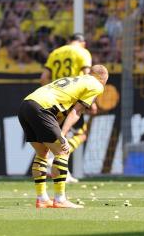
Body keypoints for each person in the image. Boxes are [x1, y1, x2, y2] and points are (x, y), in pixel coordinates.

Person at [18, 65, 108, 208]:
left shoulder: (75, 80)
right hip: (42, 108)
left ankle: (42, 199)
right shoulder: (96, 85)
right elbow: (76, 112)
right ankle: (60, 199)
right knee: (62, 151)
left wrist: (58, 132)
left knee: (42, 153)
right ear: (103, 79)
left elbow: (58, 114)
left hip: (26, 105)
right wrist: (63, 135)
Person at [41, 33, 94, 183]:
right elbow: (87, 75)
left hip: (54, 99)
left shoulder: (55, 53)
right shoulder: (82, 52)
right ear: (82, 43)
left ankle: (63, 171)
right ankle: (54, 160)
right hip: (72, 99)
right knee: (81, 134)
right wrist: (91, 101)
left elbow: (44, 77)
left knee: (61, 134)